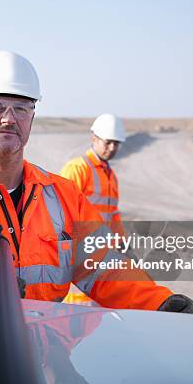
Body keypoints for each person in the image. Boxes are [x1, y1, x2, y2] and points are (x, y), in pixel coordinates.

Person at [0, 51, 193, 312]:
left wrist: (159, 303)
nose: (9, 118)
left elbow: (105, 267)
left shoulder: (64, 196)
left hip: (48, 347)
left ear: (31, 117)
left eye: (21, 107)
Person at [60, 113, 125, 305]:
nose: (112, 148)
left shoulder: (110, 175)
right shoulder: (77, 169)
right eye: (108, 142)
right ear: (94, 139)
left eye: (116, 143)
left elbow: (112, 213)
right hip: (81, 254)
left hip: (103, 252)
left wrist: (122, 244)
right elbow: (62, 214)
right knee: (78, 308)